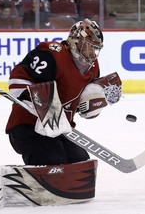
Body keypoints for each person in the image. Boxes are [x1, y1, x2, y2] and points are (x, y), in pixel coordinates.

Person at [6, 18, 104, 165]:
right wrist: (32, 99)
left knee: (80, 161)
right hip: (28, 126)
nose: (92, 53)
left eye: (95, 48)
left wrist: (93, 106)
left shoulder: (93, 68)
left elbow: (80, 105)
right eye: (88, 46)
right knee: (53, 160)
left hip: (60, 129)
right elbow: (17, 79)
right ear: (75, 40)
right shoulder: (52, 54)